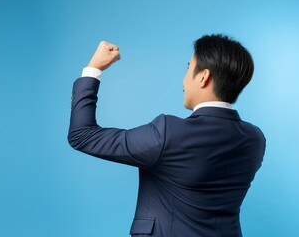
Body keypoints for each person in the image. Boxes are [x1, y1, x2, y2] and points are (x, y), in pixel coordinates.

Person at [68, 34, 266, 237]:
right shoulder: (255, 140)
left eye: (188, 68)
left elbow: (82, 135)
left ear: (203, 77)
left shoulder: (168, 133)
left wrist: (93, 69)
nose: (184, 79)